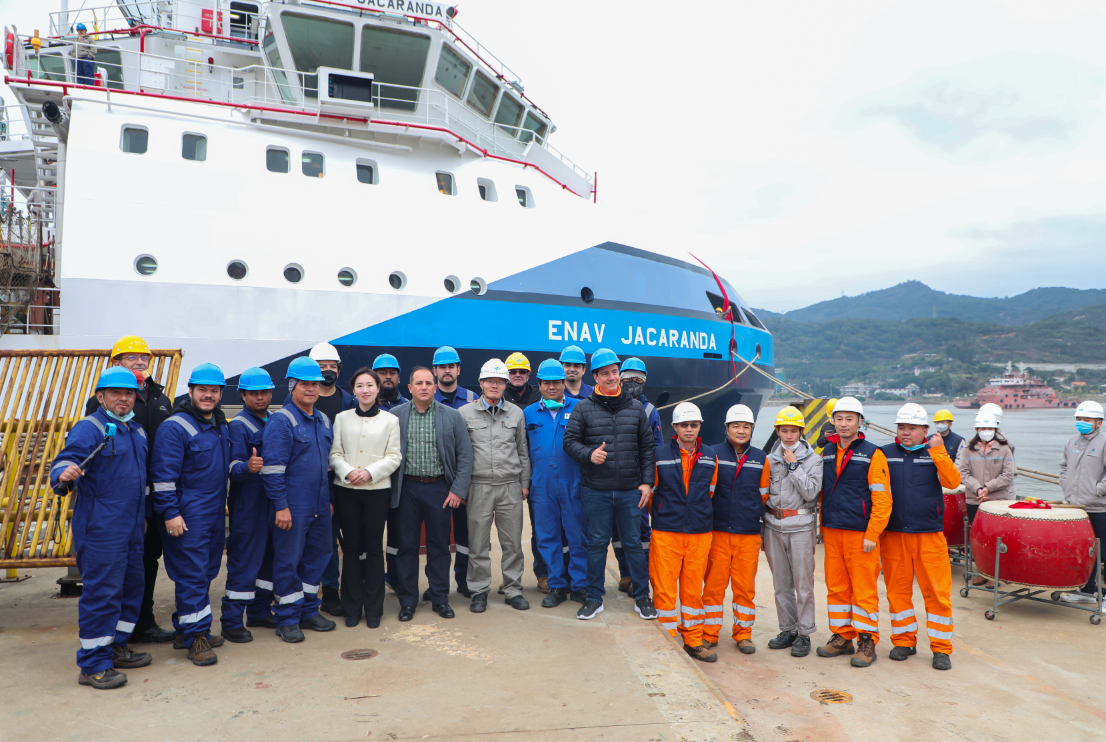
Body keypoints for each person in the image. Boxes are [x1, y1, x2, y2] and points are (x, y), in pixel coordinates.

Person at [51, 368, 151, 689]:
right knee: (102, 593)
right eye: (115, 393)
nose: (123, 399)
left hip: (132, 527)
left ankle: (116, 647)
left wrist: (143, 516)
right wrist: (63, 472)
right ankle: (93, 664)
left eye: (129, 393)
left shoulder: (137, 432)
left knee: (132, 588)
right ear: (101, 397)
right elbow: (66, 459)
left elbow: (140, 481)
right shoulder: (90, 428)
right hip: (101, 528)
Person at [85, 335, 174, 644]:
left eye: (144, 358)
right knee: (118, 569)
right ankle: (115, 633)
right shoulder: (100, 404)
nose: (139, 362)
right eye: (131, 357)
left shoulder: (160, 398)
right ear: (116, 363)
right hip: (120, 500)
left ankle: (142, 623)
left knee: (148, 561)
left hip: (154, 495)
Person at [563, 348, 657, 621]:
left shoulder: (635, 409)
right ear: (595, 377)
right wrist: (589, 454)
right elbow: (570, 443)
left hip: (630, 491)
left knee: (633, 544)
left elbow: (647, 448)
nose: (612, 377)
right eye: (606, 374)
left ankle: (642, 597)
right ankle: (594, 598)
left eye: (615, 372)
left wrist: (647, 483)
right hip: (596, 490)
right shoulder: (583, 408)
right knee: (596, 545)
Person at [150, 363, 231, 667]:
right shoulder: (175, 427)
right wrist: (170, 513)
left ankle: (186, 629)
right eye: (202, 390)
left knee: (205, 573)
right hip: (187, 515)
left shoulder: (219, 424)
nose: (208, 395)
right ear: (191, 391)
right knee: (192, 576)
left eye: (214, 391)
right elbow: (162, 478)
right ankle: (198, 638)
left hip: (212, 513)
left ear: (220, 393)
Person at [262, 357, 338, 642]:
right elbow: (272, 470)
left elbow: (327, 467)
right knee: (288, 560)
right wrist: (281, 506)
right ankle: (287, 618)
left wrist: (328, 500)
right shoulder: (282, 421)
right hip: (293, 506)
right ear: (292, 386)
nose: (311, 389)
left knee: (318, 556)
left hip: (319, 503)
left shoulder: (323, 420)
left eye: (315, 384)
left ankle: (308, 610)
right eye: (305, 384)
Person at [880, 404, 961, 671]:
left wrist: (939, 452)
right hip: (894, 534)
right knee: (897, 592)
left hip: (929, 534)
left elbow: (952, 482)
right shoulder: (885, 454)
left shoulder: (934, 453)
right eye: (901, 427)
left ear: (925, 431)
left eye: (912, 428)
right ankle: (904, 641)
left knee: (937, 593)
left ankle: (941, 648)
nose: (905, 432)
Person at [391, 367, 474, 621]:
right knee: (407, 546)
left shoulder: (452, 416)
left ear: (435, 387)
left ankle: (440, 599)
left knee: (439, 546)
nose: (424, 387)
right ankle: (408, 602)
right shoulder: (395, 416)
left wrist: (457, 490)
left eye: (429, 382)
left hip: (439, 488)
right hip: (406, 488)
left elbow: (465, 455)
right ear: (410, 388)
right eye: (419, 383)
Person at [816, 396, 890, 668]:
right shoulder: (826, 452)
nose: (844, 424)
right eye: (839, 419)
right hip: (833, 531)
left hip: (860, 534)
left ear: (860, 422)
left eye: (850, 419)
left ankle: (867, 641)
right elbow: (820, 491)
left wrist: (872, 534)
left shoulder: (873, 454)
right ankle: (842, 636)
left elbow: (882, 499)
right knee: (836, 587)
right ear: (832, 422)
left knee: (863, 590)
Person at [329, 368, 402, 627]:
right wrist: (349, 472)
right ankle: (351, 607)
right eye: (360, 385)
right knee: (350, 549)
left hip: (376, 492)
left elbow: (394, 456)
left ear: (378, 388)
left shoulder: (390, 420)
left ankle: (373, 609)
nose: (365, 390)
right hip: (347, 490)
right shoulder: (342, 418)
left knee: (373, 549)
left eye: (370, 385)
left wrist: (369, 473)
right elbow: (335, 454)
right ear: (353, 390)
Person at [459, 359, 533, 612]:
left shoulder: (516, 413)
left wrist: (524, 483)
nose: (494, 385)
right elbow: (460, 455)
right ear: (480, 383)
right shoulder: (465, 414)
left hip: (510, 486)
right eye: (490, 381)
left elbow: (523, 451)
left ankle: (513, 590)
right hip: (478, 486)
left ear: (505, 384)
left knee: (512, 544)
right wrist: (462, 487)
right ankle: (479, 590)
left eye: (499, 381)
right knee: (478, 543)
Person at [648, 403, 718, 662]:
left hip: (699, 533)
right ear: (674, 427)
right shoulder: (659, 454)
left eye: (694, 425)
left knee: (692, 591)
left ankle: (693, 641)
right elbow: (651, 492)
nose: (689, 429)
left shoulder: (710, 455)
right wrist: (666, 514)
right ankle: (666, 642)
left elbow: (711, 490)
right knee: (664, 588)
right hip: (667, 532)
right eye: (684, 425)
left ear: (699, 427)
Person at [702, 404, 770, 654]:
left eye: (746, 427)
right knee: (713, 586)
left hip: (747, 534)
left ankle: (743, 634)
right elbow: (707, 491)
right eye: (736, 426)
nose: (741, 431)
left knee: (745, 589)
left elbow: (764, 494)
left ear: (752, 429)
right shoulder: (713, 453)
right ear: (727, 428)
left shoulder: (761, 458)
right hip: (718, 532)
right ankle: (709, 633)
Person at [524, 359, 588, 608]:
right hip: (542, 486)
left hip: (574, 483)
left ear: (564, 383)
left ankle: (580, 585)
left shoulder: (580, 408)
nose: (552, 387)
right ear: (539, 385)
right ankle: (557, 586)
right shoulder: (528, 413)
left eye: (556, 382)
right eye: (546, 383)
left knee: (577, 535)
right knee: (547, 537)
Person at [221, 368, 278, 643]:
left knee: (268, 559)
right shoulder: (238, 425)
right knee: (244, 560)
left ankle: (259, 611)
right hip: (248, 504)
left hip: (272, 500)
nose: (260, 397)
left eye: (264, 392)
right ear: (243, 395)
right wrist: (247, 466)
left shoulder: (275, 420)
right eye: (254, 393)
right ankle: (232, 622)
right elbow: (232, 467)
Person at [761, 406, 822, 657]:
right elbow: (763, 494)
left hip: (800, 528)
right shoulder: (769, 460)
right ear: (777, 431)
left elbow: (811, 493)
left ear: (801, 432)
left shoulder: (813, 460)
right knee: (781, 583)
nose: (788, 436)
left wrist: (794, 466)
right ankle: (788, 629)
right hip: (773, 526)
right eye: (784, 430)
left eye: (793, 431)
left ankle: (804, 634)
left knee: (803, 584)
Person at [308, 342, 356, 618]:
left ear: (339, 370)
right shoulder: (301, 401)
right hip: (317, 483)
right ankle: (328, 592)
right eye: (321, 367)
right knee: (324, 542)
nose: (327, 371)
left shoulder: (349, 401)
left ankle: (349, 589)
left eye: (332, 366)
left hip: (348, 481)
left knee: (351, 540)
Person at [431, 345, 477, 596]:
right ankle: (437, 585)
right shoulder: (426, 396)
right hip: (436, 479)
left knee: (464, 535)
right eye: (442, 367)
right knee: (437, 537)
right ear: (435, 371)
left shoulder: (472, 398)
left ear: (459, 369)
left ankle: (464, 581)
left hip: (464, 479)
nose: (447, 371)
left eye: (451, 366)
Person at [614, 357, 661, 593]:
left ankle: (639, 575)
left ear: (644, 382)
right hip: (614, 479)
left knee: (641, 530)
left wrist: (649, 482)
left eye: (638, 379)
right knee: (616, 531)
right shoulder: (612, 405)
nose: (633, 382)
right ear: (620, 380)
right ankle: (625, 573)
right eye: (628, 378)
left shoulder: (650, 411)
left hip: (638, 482)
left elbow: (657, 449)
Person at [504, 352, 550, 592]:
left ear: (529, 374)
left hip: (537, 473)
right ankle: (510, 578)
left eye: (522, 371)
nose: (517, 375)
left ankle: (544, 574)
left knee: (541, 527)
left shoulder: (539, 397)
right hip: (507, 472)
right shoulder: (498, 396)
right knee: (509, 532)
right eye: (512, 371)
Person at [1059, 401, 1106, 606]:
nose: (1081, 423)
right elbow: (1064, 467)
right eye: (1079, 419)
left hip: (1099, 508)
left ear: (1099, 422)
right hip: (1076, 508)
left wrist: (1097, 491)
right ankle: (1087, 591)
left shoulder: (1104, 442)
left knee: (1103, 552)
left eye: (1087, 419)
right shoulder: (1072, 442)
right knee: (1084, 551)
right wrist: (1065, 484)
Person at [372, 352, 406, 594]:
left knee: (397, 534)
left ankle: (394, 577)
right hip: (371, 482)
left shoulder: (408, 406)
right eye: (382, 373)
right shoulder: (363, 405)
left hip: (400, 482)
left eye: (392, 373)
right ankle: (370, 580)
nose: (387, 376)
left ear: (399, 378)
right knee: (371, 535)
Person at [958, 411, 1015, 525]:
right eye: (983, 428)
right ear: (977, 430)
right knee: (976, 529)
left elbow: (1008, 474)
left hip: (998, 500)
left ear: (995, 430)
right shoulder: (967, 450)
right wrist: (978, 489)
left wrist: (988, 488)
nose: (987, 431)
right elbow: (963, 473)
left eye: (990, 429)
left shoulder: (1004, 449)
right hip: (974, 500)